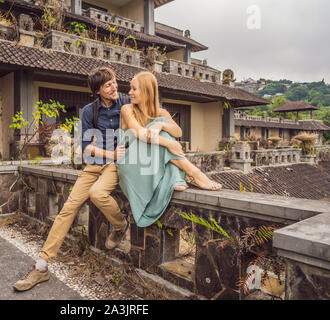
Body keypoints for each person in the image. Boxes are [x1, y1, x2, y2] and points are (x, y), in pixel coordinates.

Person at [13, 67, 129, 292]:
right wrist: (109, 153)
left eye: (114, 81)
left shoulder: (126, 101)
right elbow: (87, 148)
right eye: (108, 85)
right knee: (68, 208)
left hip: (116, 165)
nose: (114, 86)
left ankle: (120, 224)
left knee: (97, 194)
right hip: (95, 163)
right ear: (97, 91)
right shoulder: (89, 111)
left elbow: (151, 110)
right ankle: (42, 266)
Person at [117, 71, 222, 227]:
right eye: (130, 88)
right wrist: (169, 143)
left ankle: (179, 177)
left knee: (159, 126)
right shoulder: (127, 109)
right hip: (131, 163)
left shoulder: (160, 113)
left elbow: (178, 132)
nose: (129, 92)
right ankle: (193, 173)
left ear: (146, 91)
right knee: (156, 133)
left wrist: (161, 124)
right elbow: (140, 134)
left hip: (150, 164)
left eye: (134, 89)